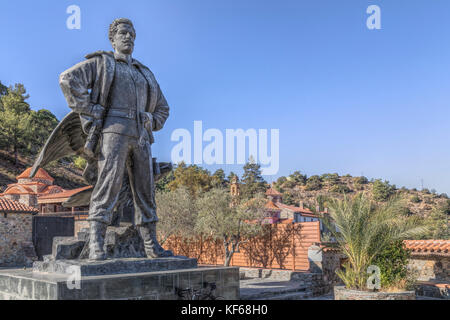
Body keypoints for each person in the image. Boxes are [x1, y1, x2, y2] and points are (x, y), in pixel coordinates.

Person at [58, 18, 172, 260]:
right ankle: (97, 243)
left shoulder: (145, 74)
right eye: (123, 33)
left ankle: (151, 245)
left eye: (132, 33)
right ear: (112, 39)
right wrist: (89, 108)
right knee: (108, 185)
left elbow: (163, 107)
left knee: (145, 189)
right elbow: (67, 79)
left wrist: (152, 118)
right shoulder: (102, 63)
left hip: (141, 135)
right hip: (113, 131)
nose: (128, 37)